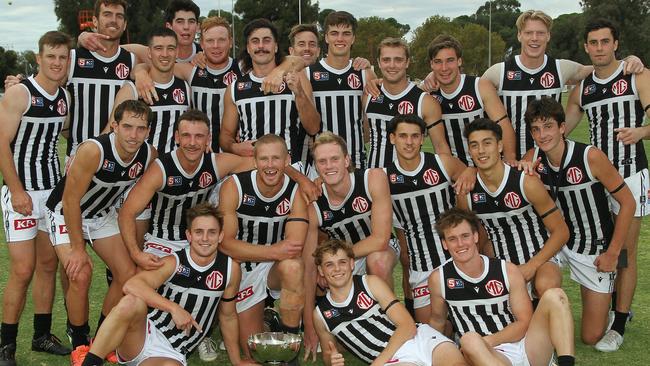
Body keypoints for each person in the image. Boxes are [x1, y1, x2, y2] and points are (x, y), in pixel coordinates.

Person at [45, 100, 155, 365]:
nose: (133, 135)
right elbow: (71, 201)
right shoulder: (94, 150)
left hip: (100, 215)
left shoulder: (149, 154)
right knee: (80, 273)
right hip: (65, 211)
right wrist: (78, 249)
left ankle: (103, 338)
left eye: (140, 128)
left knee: (127, 274)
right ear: (114, 126)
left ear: (148, 131)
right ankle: (80, 342)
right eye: (127, 126)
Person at [564, 18, 650, 352]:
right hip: (596, 181)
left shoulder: (636, 74)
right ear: (586, 47)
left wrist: (641, 132)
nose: (599, 48)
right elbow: (563, 128)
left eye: (605, 42)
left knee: (625, 251)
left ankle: (619, 321)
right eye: (593, 43)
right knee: (604, 247)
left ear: (616, 44)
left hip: (631, 175)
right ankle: (610, 307)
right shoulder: (584, 87)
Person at [79, 203, 254, 366]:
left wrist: (237, 361)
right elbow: (131, 285)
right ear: (189, 235)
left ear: (221, 235)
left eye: (212, 232)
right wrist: (173, 308)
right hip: (142, 335)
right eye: (199, 232)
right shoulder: (174, 261)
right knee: (131, 302)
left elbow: (228, 316)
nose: (205, 238)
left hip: (172, 352)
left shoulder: (230, 269)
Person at [522, 97, 635, 349]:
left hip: (592, 247)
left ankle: (613, 307)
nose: (543, 134)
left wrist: (613, 253)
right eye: (536, 129)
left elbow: (628, 202)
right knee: (543, 283)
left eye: (548, 126)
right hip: (556, 242)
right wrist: (522, 172)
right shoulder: (532, 158)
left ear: (562, 127)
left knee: (591, 336)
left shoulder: (590, 156)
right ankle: (538, 328)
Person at [0, 31, 73, 364]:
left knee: (47, 266)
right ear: (39, 58)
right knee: (23, 270)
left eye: (63, 57)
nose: (57, 63)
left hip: (52, 194)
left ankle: (41, 336)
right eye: (52, 56)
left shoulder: (65, 98)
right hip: (23, 194)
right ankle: (6, 345)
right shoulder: (19, 94)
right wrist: (16, 190)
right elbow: (1, 143)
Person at [481, 10, 643, 159]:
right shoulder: (498, 73)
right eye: (529, 33)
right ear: (519, 35)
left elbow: (603, 66)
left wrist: (629, 60)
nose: (535, 38)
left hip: (550, 161)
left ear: (548, 36)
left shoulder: (560, 68)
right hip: (511, 162)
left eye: (540, 33)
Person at [428, 208, 576, 366]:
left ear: (476, 236)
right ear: (444, 243)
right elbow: (438, 321)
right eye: (452, 239)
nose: (460, 244)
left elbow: (524, 322)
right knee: (469, 340)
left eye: (465, 236)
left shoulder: (507, 270)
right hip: (486, 355)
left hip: (526, 346)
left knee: (555, 295)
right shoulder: (439, 279)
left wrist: (490, 340)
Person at [301, 132, 397, 359]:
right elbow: (308, 265)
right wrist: (308, 325)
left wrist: (337, 260)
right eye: (322, 161)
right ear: (316, 166)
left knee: (378, 260)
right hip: (340, 261)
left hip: (373, 250)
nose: (329, 166)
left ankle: (390, 323)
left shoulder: (372, 178)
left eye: (334, 159)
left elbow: (380, 238)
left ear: (347, 160)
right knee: (312, 276)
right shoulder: (313, 203)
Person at [218, 134, 309, 361]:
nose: (270, 166)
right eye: (264, 159)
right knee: (255, 351)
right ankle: (269, 320)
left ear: (287, 160)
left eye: (276, 159)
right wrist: (273, 251)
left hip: (274, 269)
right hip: (243, 269)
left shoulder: (295, 190)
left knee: (293, 267)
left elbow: (294, 246)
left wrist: (276, 254)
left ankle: (291, 351)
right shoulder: (234, 186)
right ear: (255, 161)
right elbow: (226, 244)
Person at [457, 118, 569, 297]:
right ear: (469, 150)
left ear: (500, 146)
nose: (481, 150)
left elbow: (561, 231)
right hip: (503, 265)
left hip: (540, 258)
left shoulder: (526, 181)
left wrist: (531, 266)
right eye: (475, 145)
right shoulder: (466, 193)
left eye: (487, 143)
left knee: (547, 288)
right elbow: (480, 238)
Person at [312, 239, 467, 366]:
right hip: (395, 361)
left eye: (342, 262)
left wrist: (378, 363)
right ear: (320, 270)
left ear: (352, 264)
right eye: (329, 264)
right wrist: (332, 361)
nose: (337, 269)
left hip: (420, 338)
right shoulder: (321, 314)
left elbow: (407, 325)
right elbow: (328, 353)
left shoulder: (370, 283)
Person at [386, 114, 467, 323]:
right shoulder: (385, 178)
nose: (409, 142)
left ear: (423, 139)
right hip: (422, 265)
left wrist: (472, 172)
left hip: (458, 257)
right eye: (403, 136)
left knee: (469, 323)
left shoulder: (443, 163)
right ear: (392, 138)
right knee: (432, 332)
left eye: (415, 136)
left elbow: (471, 176)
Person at [220, 18, 320, 164]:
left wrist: (299, 93)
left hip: (291, 169)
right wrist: (235, 148)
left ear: (276, 47)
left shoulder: (296, 78)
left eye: (267, 40)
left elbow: (313, 128)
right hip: (251, 168)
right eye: (255, 41)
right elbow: (225, 136)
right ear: (248, 48)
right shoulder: (235, 88)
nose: (261, 46)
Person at [428, 34, 517, 165]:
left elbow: (504, 126)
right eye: (438, 62)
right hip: (453, 172)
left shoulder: (480, 86)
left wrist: (510, 161)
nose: (444, 68)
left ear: (459, 61)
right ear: (431, 64)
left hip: (487, 169)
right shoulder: (429, 95)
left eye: (450, 60)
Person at [364, 37, 450, 169]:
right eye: (386, 60)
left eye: (398, 60)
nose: (392, 65)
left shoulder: (425, 102)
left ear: (407, 62)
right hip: (374, 181)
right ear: (379, 63)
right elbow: (364, 136)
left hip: (411, 186)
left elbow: (441, 149)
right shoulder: (369, 95)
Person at [110, 27, 191, 155]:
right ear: (149, 52)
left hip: (173, 169)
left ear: (177, 52)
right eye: (158, 48)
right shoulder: (131, 90)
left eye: (170, 48)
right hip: (139, 169)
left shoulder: (186, 87)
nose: (165, 54)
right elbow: (112, 130)